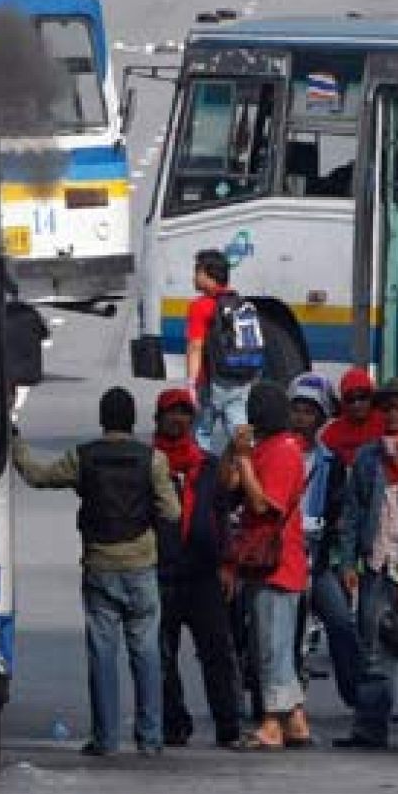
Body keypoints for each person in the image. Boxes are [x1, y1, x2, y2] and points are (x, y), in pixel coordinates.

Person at [13, 388, 181, 756]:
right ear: (132, 419)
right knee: (147, 654)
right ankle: (150, 738)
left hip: (100, 566)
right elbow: (172, 512)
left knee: (102, 655)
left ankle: (105, 740)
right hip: (140, 566)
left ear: (104, 419)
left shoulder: (83, 457)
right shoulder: (152, 459)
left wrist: (16, 445)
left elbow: (37, 476)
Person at [333, 377, 398, 749]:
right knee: (374, 649)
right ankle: (370, 727)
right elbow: (353, 512)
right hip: (378, 563)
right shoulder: (367, 456)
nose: (393, 415)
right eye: (387, 408)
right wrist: (347, 562)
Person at [223, 382, 312, 750]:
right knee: (274, 643)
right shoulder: (269, 449)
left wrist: (244, 459)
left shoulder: (282, 453)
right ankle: (295, 720)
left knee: (271, 646)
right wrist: (236, 453)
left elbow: (262, 505)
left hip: (278, 565)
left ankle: (272, 723)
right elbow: (229, 488)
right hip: (269, 564)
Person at [151, 388, 242, 748]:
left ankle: (228, 725)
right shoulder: (149, 463)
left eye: (185, 414)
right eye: (172, 413)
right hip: (161, 571)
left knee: (218, 650)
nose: (179, 419)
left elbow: (223, 516)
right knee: (161, 654)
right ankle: (174, 724)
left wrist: (228, 564)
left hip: (205, 572)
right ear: (158, 420)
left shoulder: (207, 465)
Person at [289, 372, 362, 708]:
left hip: (315, 559)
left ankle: (355, 696)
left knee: (341, 622)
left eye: (310, 411)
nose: (302, 417)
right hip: (280, 558)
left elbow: (339, 509)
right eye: (298, 409)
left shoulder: (329, 461)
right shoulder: (276, 450)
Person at [186, 249, 262, 455]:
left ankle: (203, 477)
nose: (193, 277)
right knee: (239, 431)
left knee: (201, 434)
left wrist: (191, 383)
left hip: (213, 383)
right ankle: (248, 471)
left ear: (206, 274)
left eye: (196, 271)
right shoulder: (240, 303)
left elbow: (195, 346)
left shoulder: (200, 306)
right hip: (242, 377)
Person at [319, 367, 384, 467]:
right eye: (350, 399)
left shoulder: (386, 423)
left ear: (372, 397)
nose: (357, 404)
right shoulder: (332, 432)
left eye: (362, 397)